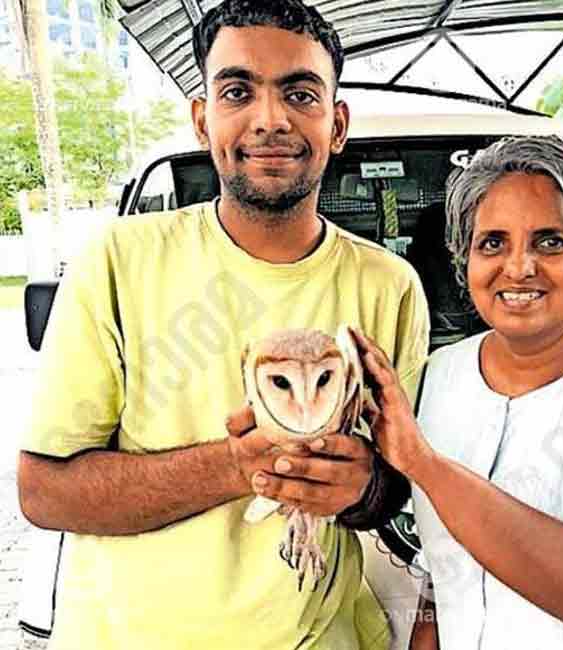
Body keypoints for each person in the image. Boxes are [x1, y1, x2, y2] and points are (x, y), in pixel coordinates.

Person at [16, 1, 427, 648]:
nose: (270, 120)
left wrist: (360, 487)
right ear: (203, 119)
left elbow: (396, 485)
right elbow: (45, 493)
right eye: (238, 92)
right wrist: (240, 465)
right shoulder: (117, 260)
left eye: (300, 94)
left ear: (337, 124)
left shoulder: (389, 286)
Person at [275, 136, 563, 649]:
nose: (518, 267)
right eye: (492, 243)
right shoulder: (443, 374)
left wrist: (423, 464)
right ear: (466, 259)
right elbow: (443, 572)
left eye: (552, 242)